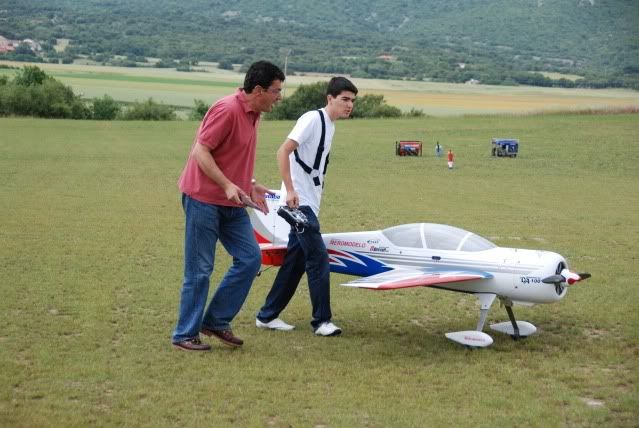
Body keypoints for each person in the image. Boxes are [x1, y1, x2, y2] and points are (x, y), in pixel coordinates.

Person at [172, 60, 285, 352]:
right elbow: (201, 151)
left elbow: (233, 154)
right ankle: (185, 334)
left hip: (233, 200)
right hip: (203, 199)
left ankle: (216, 321)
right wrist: (225, 185)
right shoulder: (227, 109)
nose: (279, 97)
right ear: (258, 90)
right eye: (276, 91)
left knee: (250, 259)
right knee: (200, 269)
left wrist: (250, 182)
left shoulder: (255, 114)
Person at [255, 77, 358, 336]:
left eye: (353, 101)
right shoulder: (312, 119)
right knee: (318, 257)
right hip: (299, 203)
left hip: (309, 202)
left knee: (296, 261)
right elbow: (283, 151)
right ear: (330, 98)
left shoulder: (330, 125)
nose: (349, 105)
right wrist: (289, 190)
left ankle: (267, 315)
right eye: (345, 99)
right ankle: (322, 321)